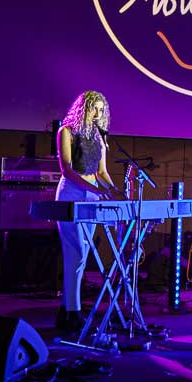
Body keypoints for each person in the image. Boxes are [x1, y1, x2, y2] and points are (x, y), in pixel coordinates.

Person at [55, 90, 124, 333]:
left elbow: (101, 172)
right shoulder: (66, 132)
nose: (98, 113)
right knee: (76, 252)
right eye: (94, 108)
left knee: (84, 253)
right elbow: (67, 169)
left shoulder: (98, 137)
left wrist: (114, 190)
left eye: (102, 109)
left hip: (92, 192)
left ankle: (67, 310)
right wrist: (90, 187)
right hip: (72, 192)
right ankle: (72, 312)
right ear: (84, 108)